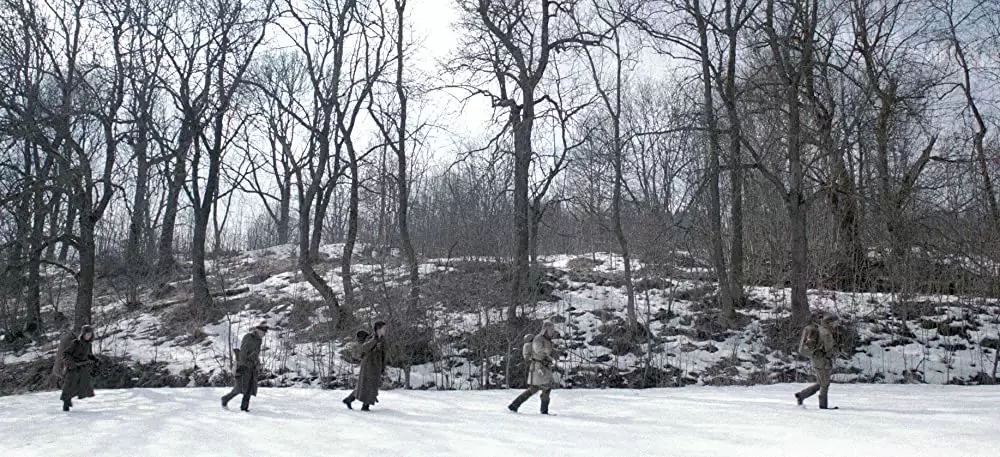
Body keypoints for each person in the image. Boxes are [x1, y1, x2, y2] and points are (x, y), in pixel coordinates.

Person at [508, 321, 558, 414]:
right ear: (545, 329)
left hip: (544, 367)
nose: (552, 331)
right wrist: (550, 355)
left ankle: (514, 406)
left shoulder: (548, 341)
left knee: (535, 388)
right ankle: (544, 411)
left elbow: (550, 352)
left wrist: (559, 352)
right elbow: (538, 350)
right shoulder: (538, 339)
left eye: (553, 329)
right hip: (538, 367)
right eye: (551, 329)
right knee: (545, 387)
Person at [222, 321, 269, 411]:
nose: (264, 334)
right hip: (243, 366)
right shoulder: (248, 337)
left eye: (264, 333)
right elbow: (243, 353)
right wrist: (245, 364)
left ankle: (244, 408)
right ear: (257, 330)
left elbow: (255, 353)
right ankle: (225, 399)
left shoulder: (259, 340)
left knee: (249, 388)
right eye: (263, 332)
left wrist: (257, 363)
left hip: (253, 367)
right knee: (239, 388)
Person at [795, 312, 838, 409]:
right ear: (829, 323)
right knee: (825, 384)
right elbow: (829, 350)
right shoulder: (826, 333)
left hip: (816, 360)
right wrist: (836, 351)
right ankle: (823, 406)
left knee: (821, 383)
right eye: (834, 323)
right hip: (823, 361)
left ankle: (801, 395)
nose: (836, 325)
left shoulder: (820, 329)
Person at [343, 321, 387, 411]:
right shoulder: (370, 338)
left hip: (376, 365)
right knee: (368, 385)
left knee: (368, 385)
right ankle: (365, 406)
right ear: (378, 329)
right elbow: (364, 348)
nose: (385, 330)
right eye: (383, 328)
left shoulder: (382, 340)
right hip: (368, 365)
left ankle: (349, 399)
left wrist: (383, 366)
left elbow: (383, 354)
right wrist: (375, 340)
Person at [61, 324, 97, 411]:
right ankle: (66, 402)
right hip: (73, 368)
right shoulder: (75, 343)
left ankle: (69, 399)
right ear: (83, 334)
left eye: (90, 334)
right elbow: (65, 354)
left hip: (82, 369)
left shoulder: (89, 345)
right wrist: (70, 362)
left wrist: (94, 359)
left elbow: (89, 355)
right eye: (87, 334)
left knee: (81, 386)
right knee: (69, 386)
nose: (88, 336)